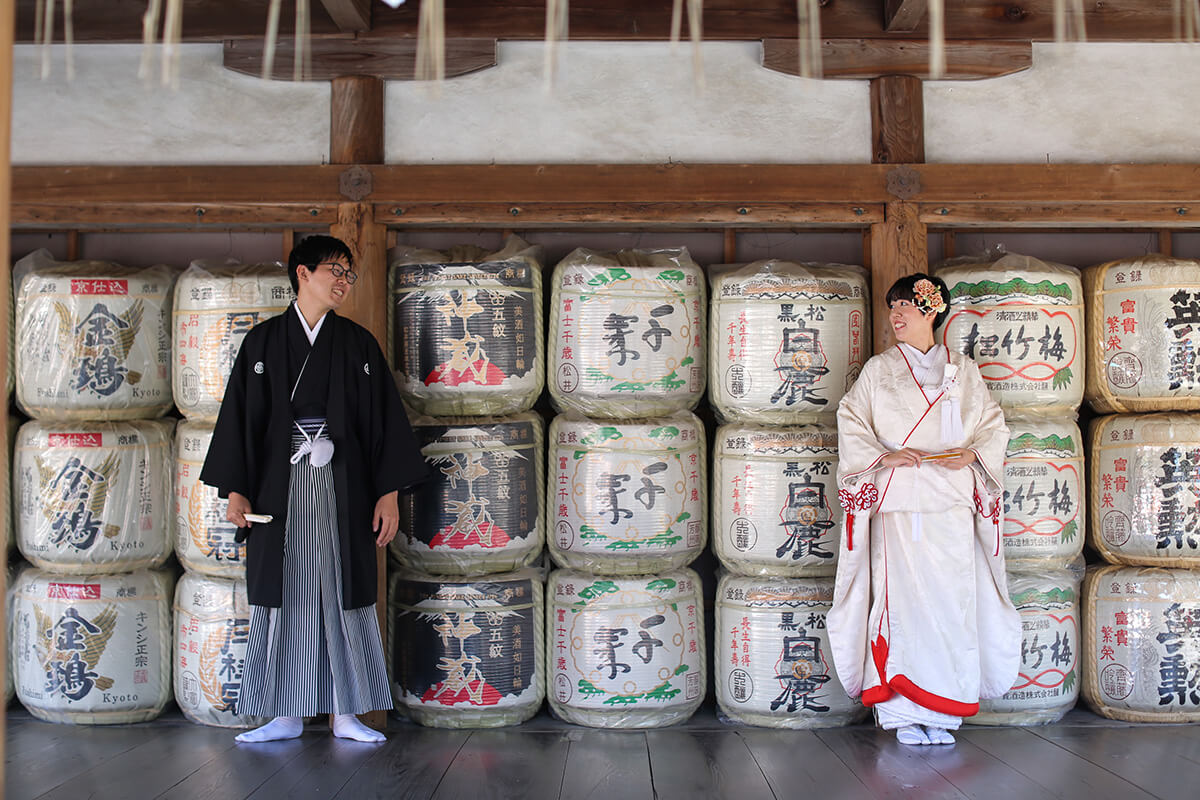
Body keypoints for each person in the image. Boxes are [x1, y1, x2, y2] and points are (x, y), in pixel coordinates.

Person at [201, 235, 427, 743]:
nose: (344, 282)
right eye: (335, 271)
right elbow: (241, 420)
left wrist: (388, 492)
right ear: (302, 274)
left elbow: (382, 424)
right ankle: (281, 714)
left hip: (342, 480)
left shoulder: (357, 344)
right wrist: (236, 489)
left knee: (339, 586)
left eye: (349, 274)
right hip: (279, 485)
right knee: (285, 591)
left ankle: (346, 713)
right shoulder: (261, 343)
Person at [827, 273, 1019, 746]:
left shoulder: (964, 372)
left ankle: (944, 712)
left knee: (953, 606)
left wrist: (973, 455)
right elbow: (851, 421)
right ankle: (902, 714)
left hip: (950, 506)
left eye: (906, 306)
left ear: (932, 311)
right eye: (892, 306)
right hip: (899, 506)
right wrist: (881, 457)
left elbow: (993, 427)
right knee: (900, 610)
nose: (896, 315)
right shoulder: (878, 370)